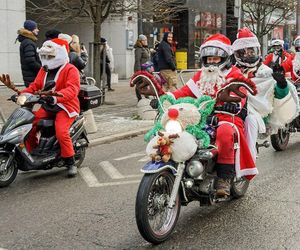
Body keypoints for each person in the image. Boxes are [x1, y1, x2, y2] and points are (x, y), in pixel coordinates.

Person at [162, 34, 257, 197]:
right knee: (177, 130)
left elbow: (241, 94)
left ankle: (224, 178)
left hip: (229, 118)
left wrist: (233, 103)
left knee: (225, 132)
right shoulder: (201, 75)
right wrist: (168, 97)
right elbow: (185, 92)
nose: (212, 62)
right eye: (209, 59)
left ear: (225, 58)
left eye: (215, 58)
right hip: (201, 117)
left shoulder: (234, 74)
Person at [232, 27, 299, 161]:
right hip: (230, 111)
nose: (249, 54)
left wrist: (281, 84)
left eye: (251, 51)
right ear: (238, 53)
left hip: (254, 114)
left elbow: (276, 94)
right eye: (245, 52)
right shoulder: (229, 70)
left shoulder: (266, 71)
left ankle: (248, 162)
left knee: (251, 122)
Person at [18, 38, 80, 177]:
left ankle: (70, 162)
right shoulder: (44, 70)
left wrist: (57, 97)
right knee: (30, 124)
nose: (47, 59)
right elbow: (35, 86)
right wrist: (21, 95)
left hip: (65, 106)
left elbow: (72, 89)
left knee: (61, 131)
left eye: (50, 56)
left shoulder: (71, 69)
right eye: (44, 56)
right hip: (48, 105)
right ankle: (31, 155)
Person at [16, 20, 41, 87]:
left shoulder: (27, 41)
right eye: (36, 28)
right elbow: (31, 61)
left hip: (30, 76)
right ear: (31, 29)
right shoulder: (28, 42)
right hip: (32, 77)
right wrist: (41, 69)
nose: (38, 30)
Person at [134, 34, 151, 101]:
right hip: (140, 69)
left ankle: (146, 96)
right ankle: (139, 98)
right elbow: (137, 60)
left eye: (146, 40)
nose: (146, 41)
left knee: (145, 82)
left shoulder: (144, 48)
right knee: (139, 83)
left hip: (146, 69)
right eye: (144, 40)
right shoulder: (138, 49)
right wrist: (138, 71)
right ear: (141, 41)